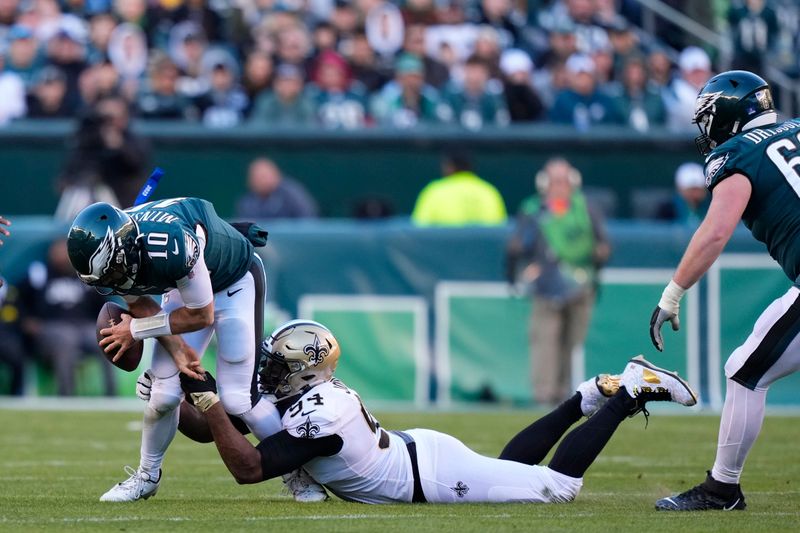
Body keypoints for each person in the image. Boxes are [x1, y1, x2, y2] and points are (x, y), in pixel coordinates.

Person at [176, 319, 697, 504]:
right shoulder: (296, 396)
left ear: (305, 372)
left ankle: (630, 389)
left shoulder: (320, 414)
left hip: (428, 476)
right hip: (420, 455)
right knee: (516, 470)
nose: (266, 372)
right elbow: (210, 431)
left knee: (556, 489)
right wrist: (171, 394)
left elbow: (247, 467)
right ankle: (585, 399)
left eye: (276, 364)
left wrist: (214, 402)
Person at [66, 197, 326, 502]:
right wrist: (177, 352)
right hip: (183, 287)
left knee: (238, 399)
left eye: (112, 271)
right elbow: (143, 305)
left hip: (234, 280)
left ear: (124, 246)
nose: (112, 282)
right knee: (163, 393)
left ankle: (297, 473)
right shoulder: (112, 259)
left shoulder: (172, 244)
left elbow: (202, 315)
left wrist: (134, 330)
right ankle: (147, 476)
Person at [649, 70, 795, 511]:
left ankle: (721, 489)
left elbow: (715, 232)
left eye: (709, 117)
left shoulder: (738, 153)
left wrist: (673, 292)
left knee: (744, 372)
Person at [506, 158, 610, 406]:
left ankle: (562, 392)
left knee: (571, 341)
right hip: (545, 287)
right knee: (545, 340)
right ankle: (544, 394)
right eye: (554, 181)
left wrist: (597, 256)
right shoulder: (533, 209)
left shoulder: (585, 208)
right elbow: (518, 244)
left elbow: (603, 243)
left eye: (563, 181)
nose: (559, 186)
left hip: (580, 286)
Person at [17, 239, 114, 396]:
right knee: (66, 338)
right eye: (58, 251)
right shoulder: (39, 274)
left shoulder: (86, 275)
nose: (62, 256)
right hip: (50, 327)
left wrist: (106, 323)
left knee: (106, 338)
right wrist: (26, 321)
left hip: (83, 326)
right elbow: (17, 299)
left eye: (66, 252)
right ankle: (67, 397)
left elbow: (103, 305)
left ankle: (112, 396)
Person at [411, 152, 507, 226]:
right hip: (483, 251)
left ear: (449, 166)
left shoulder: (434, 191)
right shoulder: (489, 191)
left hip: (442, 251)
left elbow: (418, 232)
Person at [235, 158, 319, 219]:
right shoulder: (247, 202)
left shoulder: (291, 194)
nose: (261, 181)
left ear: (276, 175)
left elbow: (308, 219)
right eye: (256, 177)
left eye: (264, 176)